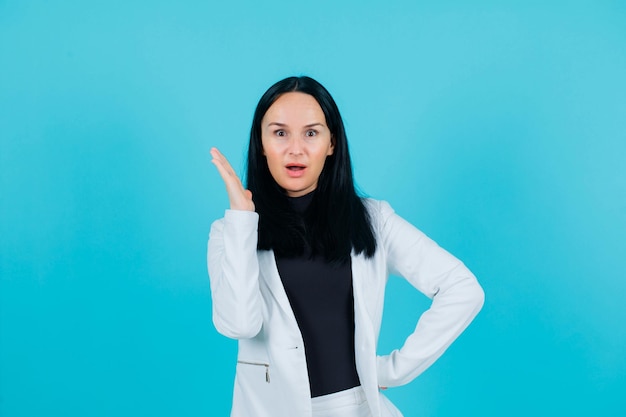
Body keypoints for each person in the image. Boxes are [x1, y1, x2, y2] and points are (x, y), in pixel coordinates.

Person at [207, 76, 484, 417]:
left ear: (331, 143)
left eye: (311, 133)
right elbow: (238, 325)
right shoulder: (231, 232)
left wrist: (393, 370)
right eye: (280, 133)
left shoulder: (372, 220)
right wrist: (241, 220)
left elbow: (462, 288)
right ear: (261, 143)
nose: (296, 149)